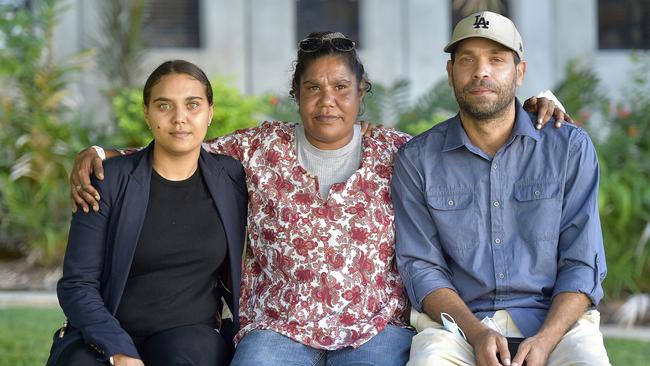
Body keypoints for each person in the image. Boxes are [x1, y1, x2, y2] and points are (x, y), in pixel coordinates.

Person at [70, 31, 566, 365]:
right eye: (313, 87)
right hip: (276, 330)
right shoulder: (257, 149)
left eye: (341, 87)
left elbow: (476, 143)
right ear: (296, 93)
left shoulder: (403, 153)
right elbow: (179, 144)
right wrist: (102, 153)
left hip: (375, 330)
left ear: (361, 92)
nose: (327, 99)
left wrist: (532, 107)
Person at [391, 11, 610, 366]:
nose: (481, 71)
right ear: (450, 74)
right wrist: (476, 332)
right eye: (467, 60)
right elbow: (422, 267)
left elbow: (582, 262)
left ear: (520, 72)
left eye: (496, 59)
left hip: (556, 324)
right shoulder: (418, 160)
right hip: (457, 328)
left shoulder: (568, 148)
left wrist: (544, 341)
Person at [47, 60, 248, 366]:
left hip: (190, 335)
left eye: (192, 105)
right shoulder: (107, 180)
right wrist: (119, 350)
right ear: (147, 113)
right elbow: (77, 283)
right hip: (110, 328)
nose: (179, 118)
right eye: (164, 105)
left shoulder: (231, 177)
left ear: (210, 112)